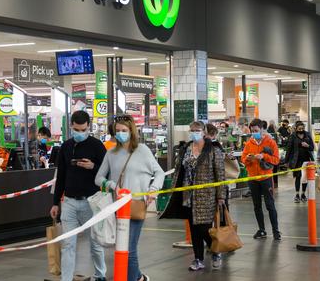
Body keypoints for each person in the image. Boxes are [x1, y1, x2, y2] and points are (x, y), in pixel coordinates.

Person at [96, 115, 164, 281]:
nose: (120, 133)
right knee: (121, 248)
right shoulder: (111, 153)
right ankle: (139, 277)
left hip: (135, 205)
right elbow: (98, 178)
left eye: (124, 130)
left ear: (131, 131)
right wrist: (113, 185)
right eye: (117, 130)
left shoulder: (142, 150)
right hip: (116, 206)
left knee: (129, 248)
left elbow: (159, 172)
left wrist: (153, 190)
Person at [50, 111, 107, 281]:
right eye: (76, 129)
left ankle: (100, 275)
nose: (80, 133)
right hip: (69, 203)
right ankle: (66, 279)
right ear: (71, 126)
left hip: (91, 202)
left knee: (95, 243)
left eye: (83, 130)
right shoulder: (66, 146)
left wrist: (93, 167)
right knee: (68, 244)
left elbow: (107, 172)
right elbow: (60, 176)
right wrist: (55, 203)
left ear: (88, 126)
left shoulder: (97, 146)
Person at [161, 121, 225, 271]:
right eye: (191, 130)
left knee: (204, 228)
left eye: (197, 130)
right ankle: (198, 259)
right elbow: (178, 170)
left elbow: (220, 174)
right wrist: (174, 189)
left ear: (204, 131)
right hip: (187, 194)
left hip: (206, 196)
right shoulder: (186, 149)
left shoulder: (213, 150)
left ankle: (215, 250)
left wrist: (221, 196)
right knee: (193, 228)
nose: (194, 132)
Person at [241, 118, 281, 240]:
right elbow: (243, 160)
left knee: (270, 205)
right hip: (253, 178)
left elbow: (276, 160)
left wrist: (264, 156)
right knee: (256, 206)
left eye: (256, 130)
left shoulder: (270, 142)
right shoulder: (248, 144)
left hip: (266, 178)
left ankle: (276, 231)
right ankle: (262, 230)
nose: (254, 133)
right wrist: (248, 158)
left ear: (262, 129)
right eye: (252, 131)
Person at [285, 122, 315, 203]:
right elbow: (289, 149)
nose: (301, 130)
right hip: (296, 160)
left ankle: (303, 194)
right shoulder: (292, 136)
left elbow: (312, 148)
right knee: (298, 177)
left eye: (302, 129)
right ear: (296, 129)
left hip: (306, 160)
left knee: (304, 178)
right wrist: (286, 161)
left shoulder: (307, 135)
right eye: (299, 129)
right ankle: (297, 194)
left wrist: (307, 146)